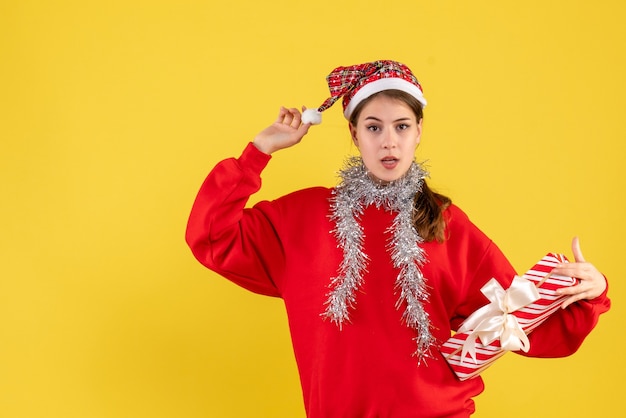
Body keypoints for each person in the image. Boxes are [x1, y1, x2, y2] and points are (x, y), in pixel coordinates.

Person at [185, 60, 610, 417]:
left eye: (401, 126)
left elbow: (515, 323)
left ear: (419, 131)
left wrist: (589, 292)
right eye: (373, 128)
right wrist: (258, 152)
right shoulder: (303, 217)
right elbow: (211, 236)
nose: (389, 141)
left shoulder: (447, 225)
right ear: (354, 135)